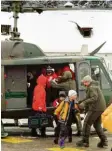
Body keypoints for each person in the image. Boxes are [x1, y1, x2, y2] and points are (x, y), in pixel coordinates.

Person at [76, 75, 108, 148]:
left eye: (84, 82)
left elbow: (94, 98)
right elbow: (90, 97)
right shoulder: (93, 86)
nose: (83, 84)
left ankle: (85, 141)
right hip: (99, 108)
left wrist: (84, 103)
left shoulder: (92, 87)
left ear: (88, 82)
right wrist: (82, 101)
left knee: (87, 123)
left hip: (95, 108)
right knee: (97, 125)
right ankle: (104, 141)